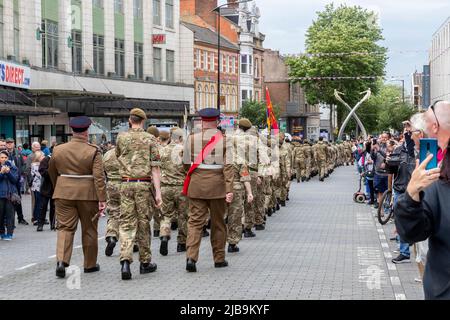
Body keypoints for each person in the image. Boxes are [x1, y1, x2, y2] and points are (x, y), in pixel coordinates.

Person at [395, 100, 450, 300]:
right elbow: (412, 231)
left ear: (434, 126)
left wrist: (411, 193)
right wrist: (412, 194)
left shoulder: (439, 176)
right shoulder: (437, 170)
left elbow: (412, 232)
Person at [48, 116, 107, 278]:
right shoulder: (93, 150)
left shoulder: (58, 149)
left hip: (63, 192)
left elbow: (52, 172)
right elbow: (99, 177)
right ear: (87, 131)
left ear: (72, 131)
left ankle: (61, 261)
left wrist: (59, 187)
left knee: (65, 228)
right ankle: (89, 264)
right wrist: (102, 198)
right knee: (89, 229)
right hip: (88, 195)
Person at [183, 108, 234, 272]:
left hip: (197, 186)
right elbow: (229, 167)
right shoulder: (225, 140)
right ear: (217, 121)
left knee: (195, 223)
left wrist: (196, 175)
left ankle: (191, 257)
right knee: (218, 224)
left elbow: (184, 163)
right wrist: (229, 189)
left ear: (202, 121)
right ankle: (219, 259)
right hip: (218, 187)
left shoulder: (191, 139)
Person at [116, 108, 162, 280]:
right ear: (143, 121)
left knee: (126, 223)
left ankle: (125, 261)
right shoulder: (150, 139)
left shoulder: (121, 137)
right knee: (143, 223)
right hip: (143, 184)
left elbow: (118, 156)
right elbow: (155, 168)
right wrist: (158, 193)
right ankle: (145, 262)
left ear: (130, 120)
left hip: (125, 183)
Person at [159, 128, 189, 255]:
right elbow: (188, 168)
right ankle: (181, 243)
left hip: (165, 187)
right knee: (183, 215)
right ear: (181, 138)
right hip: (181, 187)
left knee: (166, 215)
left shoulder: (162, 150)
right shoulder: (182, 150)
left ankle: (164, 235)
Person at [103, 145, 121, 257]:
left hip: (111, 185)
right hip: (125, 183)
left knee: (114, 212)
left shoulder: (107, 154)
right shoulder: (126, 153)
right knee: (129, 215)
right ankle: (133, 243)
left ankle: (111, 236)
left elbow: (103, 170)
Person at [5, 138, 28, 225]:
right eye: (8, 143)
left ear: (14, 144)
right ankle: (8, 220)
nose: (9, 144)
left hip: (17, 180)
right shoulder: (3, 153)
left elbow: (23, 164)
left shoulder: (18, 153)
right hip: (6, 179)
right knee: (7, 199)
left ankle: (20, 218)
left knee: (17, 199)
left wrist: (21, 174)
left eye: (11, 143)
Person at [0, 150, 19, 240]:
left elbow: (15, 180)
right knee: (0, 215)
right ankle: (2, 233)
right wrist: (1, 173)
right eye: (2, 157)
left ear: (8, 158)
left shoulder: (13, 168)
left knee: (10, 215)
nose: (4, 159)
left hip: (10, 195)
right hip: (0, 195)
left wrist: (8, 172)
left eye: (5, 157)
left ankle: (10, 234)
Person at [37, 152, 56, 231]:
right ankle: (40, 224)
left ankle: (53, 224)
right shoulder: (46, 159)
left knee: (54, 207)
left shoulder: (60, 159)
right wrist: (52, 171)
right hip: (46, 187)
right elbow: (42, 172)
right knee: (43, 207)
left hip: (55, 187)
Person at [30, 151, 45, 225]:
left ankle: (39, 218)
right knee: (38, 203)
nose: (44, 157)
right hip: (37, 186)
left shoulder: (39, 164)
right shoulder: (35, 165)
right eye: (42, 156)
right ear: (38, 158)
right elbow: (40, 175)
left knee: (39, 203)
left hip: (38, 186)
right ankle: (36, 218)